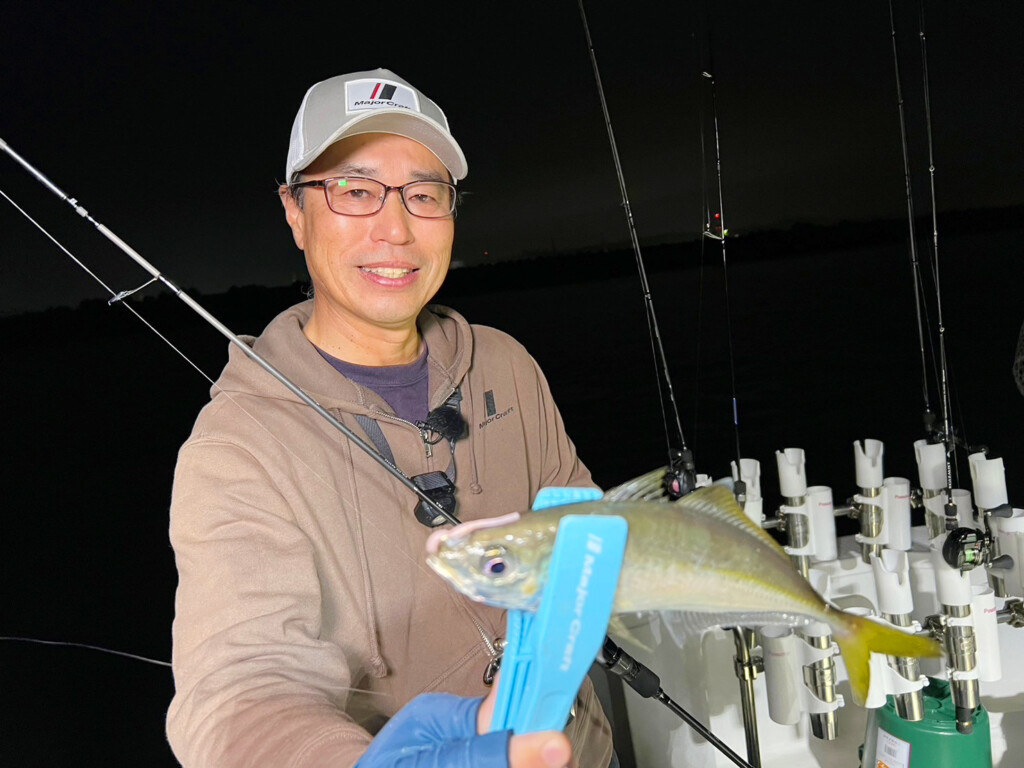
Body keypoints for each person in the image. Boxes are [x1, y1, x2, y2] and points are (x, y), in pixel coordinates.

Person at [166, 69, 614, 767]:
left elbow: (584, 533)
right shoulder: (237, 447)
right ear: (294, 211)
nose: (397, 229)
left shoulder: (506, 367)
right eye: (355, 190)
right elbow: (238, 691)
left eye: (424, 194)